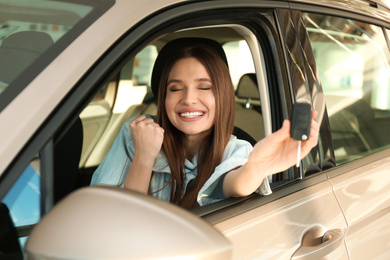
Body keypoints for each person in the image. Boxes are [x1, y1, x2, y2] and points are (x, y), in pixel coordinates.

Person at [91, 38, 319, 209]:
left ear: (223, 95)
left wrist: (260, 167)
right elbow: (112, 217)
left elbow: (237, 183)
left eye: (204, 87)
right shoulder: (136, 133)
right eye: (176, 88)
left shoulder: (237, 150)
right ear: (163, 96)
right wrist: (144, 155)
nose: (189, 99)